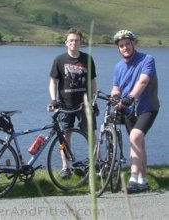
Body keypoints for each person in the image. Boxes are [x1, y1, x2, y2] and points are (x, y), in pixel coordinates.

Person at [111, 29, 160, 194]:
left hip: (147, 107)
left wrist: (130, 97)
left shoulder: (147, 59)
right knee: (138, 142)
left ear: (133, 44)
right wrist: (115, 99)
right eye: (121, 46)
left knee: (134, 137)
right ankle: (143, 180)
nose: (125, 48)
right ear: (118, 49)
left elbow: (143, 81)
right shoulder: (118, 66)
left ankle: (132, 178)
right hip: (129, 110)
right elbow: (116, 87)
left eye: (127, 44)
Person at [48, 28, 99, 177]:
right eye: (71, 40)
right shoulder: (59, 60)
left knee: (90, 134)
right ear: (66, 43)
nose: (73, 42)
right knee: (65, 135)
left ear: (81, 42)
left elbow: (93, 81)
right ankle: (66, 166)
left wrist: (94, 101)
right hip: (65, 105)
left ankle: (97, 163)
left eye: (76, 40)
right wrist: (53, 99)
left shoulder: (87, 59)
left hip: (85, 104)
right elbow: (53, 82)